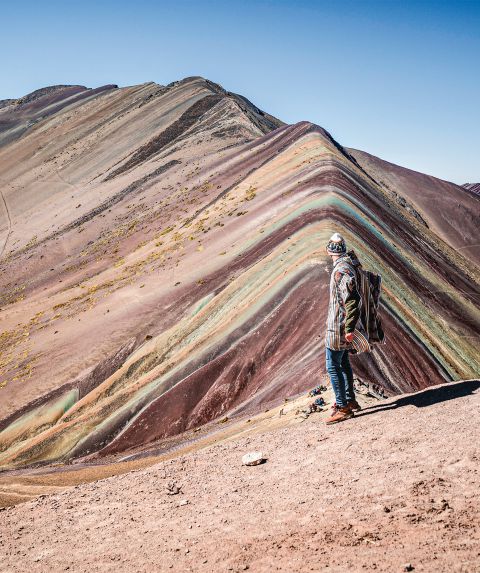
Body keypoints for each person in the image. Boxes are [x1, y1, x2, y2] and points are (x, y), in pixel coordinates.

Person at [324, 232, 362, 424]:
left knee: (332, 365)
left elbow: (352, 299)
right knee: (344, 362)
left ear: (329, 251)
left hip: (338, 326)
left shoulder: (341, 271)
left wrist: (349, 328)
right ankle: (350, 399)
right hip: (341, 324)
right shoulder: (348, 265)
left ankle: (343, 406)